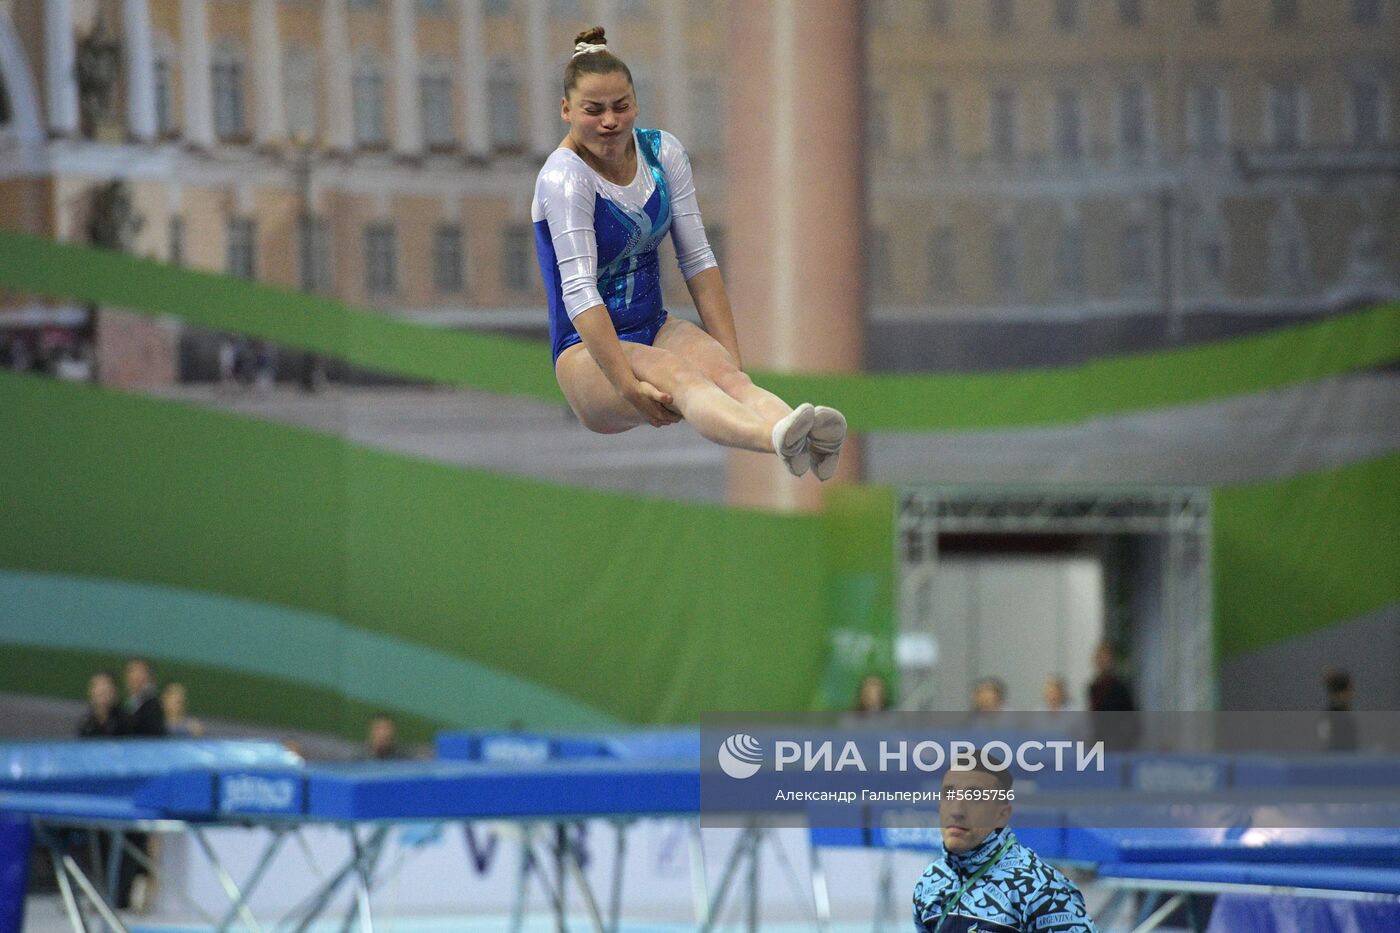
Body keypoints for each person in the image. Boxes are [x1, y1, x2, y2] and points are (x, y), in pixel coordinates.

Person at [532, 27, 848, 480]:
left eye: (621, 107)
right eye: (593, 110)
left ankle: (810, 442)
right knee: (680, 376)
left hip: (653, 325)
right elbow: (580, 293)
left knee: (727, 377)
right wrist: (628, 385)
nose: (609, 121)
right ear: (566, 111)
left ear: (636, 104)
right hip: (585, 354)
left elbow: (698, 261)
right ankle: (776, 438)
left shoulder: (663, 153)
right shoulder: (565, 178)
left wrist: (730, 363)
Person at [912, 752, 1097, 932]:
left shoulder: (1043, 890)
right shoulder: (929, 882)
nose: (956, 811)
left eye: (974, 797)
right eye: (949, 794)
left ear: (1001, 815)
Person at [1086, 641, 1139, 751]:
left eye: (1105, 660)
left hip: (1118, 742)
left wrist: (1126, 741)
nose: (1102, 663)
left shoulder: (1121, 688)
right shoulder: (1093, 688)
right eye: (1099, 659)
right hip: (1098, 741)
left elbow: (1133, 718)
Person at [120, 657, 166, 736]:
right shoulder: (133, 703)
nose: (133, 676)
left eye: (139, 671)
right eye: (130, 671)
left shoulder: (154, 706)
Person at [1318, 667, 1359, 752]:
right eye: (1350, 689)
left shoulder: (1330, 714)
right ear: (1342, 692)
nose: (1353, 693)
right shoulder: (1336, 716)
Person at [77, 670, 126, 737]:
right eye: (97, 686)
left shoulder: (126, 722)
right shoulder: (86, 723)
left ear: (115, 692)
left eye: (107, 686)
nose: (101, 689)